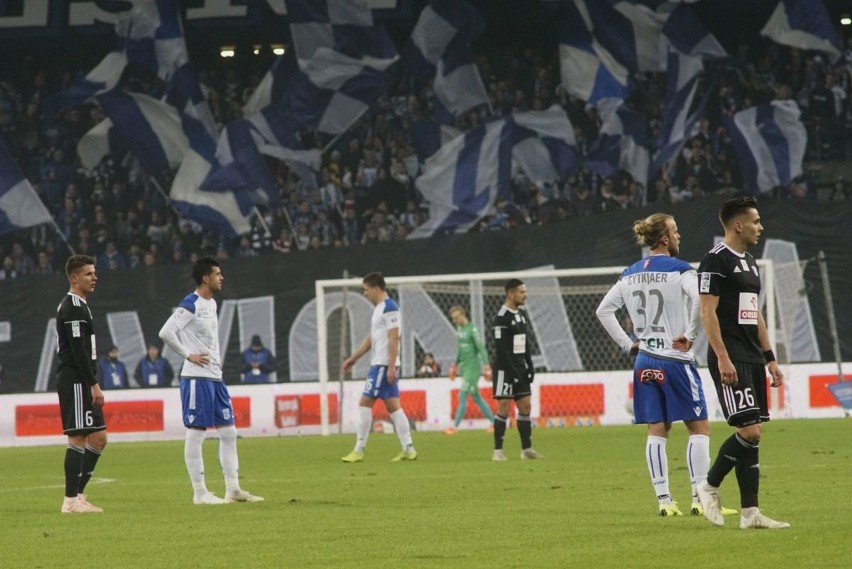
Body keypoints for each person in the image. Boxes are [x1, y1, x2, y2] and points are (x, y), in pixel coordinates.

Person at [596, 213, 736, 518]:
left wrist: (627, 343)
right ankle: (701, 499)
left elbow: (603, 310)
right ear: (664, 239)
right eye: (675, 231)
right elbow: (700, 300)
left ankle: (664, 501)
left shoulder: (629, 273)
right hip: (675, 359)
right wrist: (690, 333)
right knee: (698, 427)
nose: (679, 236)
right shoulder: (680, 269)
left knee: (657, 430)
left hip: (645, 359)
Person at [696, 196, 789, 529]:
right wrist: (722, 357)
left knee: (755, 433)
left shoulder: (749, 262)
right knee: (748, 430)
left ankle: (750, 513)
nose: (760, 227)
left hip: (751, 355)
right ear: (738, 225)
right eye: (756, 221)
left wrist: (771, 359)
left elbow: (756, 314)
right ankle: (707, 486)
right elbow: (707, 311)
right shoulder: (714, 262)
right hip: (729, 356)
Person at [158, 257, 264, 504]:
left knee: (229, 432)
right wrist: (188, 355)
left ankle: (233, 489)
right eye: (217, 274)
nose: (221, 277)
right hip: (196, 379)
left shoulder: (212, 304)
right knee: (196, 433)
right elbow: (166, 332)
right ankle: (200, 493)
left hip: (215, 378)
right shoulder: (191, 303)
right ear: (205, 278)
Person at [341, 272, 417, 463]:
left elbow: (394, 338)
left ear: (376, 288)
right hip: (382, 364)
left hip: (383, 365)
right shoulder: (379, 308)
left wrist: (391, 366)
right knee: (393, 407)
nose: (365, 294)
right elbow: (373, 338)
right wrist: (354, 358)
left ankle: (358, 450)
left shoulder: (390, 308)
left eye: (366, 290)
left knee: (364, 403)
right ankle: (408, 448)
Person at [55, 254, 107, 513]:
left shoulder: (81, 305)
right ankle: (70, 501)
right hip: (76, 379)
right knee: (77, 437)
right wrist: (92, 383)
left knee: (98, 438)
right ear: (74, 278)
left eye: (94, 273)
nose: (94, 277)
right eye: (89, 274)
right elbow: (77, 351)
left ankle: (79, 494)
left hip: (83, 379)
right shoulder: (72, 307)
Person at [490, 279, 542, 461]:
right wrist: (514, 373)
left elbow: (524, 343)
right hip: (505, 369)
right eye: (521, 292)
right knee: (504, 407)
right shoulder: (501, 318)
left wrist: (530, 365)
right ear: (511, 294)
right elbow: (501, 350)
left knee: (525, 405)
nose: (525, 295)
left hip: (520, 367)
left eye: (525, 292)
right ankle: (498, 451)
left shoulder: (520, 315)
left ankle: (526, 449)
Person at [444, 306, 495, 435]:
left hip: (473, 368)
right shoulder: (459, 329)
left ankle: (454, 427)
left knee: (462, 395)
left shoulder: (472, 329)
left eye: (456, 318)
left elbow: (481, 348)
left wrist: (487, 366)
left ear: (463, 315)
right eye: (453, 318)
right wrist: (454, 365)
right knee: (476, 396)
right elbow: (460, 349)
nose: (454, 320)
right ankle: (495, 423)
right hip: (464, 367)